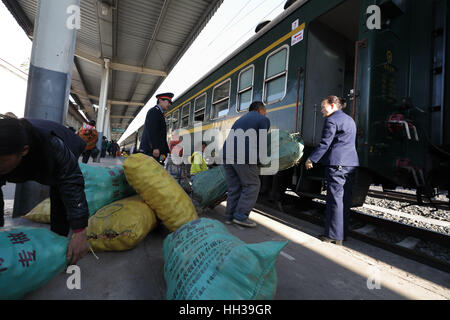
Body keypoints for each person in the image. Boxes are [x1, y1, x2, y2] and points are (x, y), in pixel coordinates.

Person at [0, 117, 89, 264]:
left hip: (66, 142)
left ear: (24, 151)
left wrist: (80, 232)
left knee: (60, 192)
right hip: (36, 154)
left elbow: (71, 183)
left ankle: (59, 248)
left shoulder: (53, 147)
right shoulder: (7, 150)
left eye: (2, 161)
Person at [305, 96, 359, 245]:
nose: (322, 110)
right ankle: (342, 235)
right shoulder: (350, 120)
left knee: (334, 200)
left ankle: (332, 235)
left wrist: (312, 159)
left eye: (323, 107)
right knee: (344, 200)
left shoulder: (331, 120)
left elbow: (325, 143)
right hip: (351, 164)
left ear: (333, 105)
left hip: (337, 164)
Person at [222, 101, 270, 228]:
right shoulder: (262, 119)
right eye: (265, 110)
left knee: (234, 187)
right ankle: (241, 216)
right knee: (252, 184)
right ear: (261, 109)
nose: (266, 113)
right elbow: (262, 142)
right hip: (243, 156)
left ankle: (229, 217)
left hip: (227, 155)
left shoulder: (240, 120)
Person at [139, 92, 172, 163]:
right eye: (168, 102)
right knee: (149, 171)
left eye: (170, 103)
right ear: (160, 100)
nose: (169, 105)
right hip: (151, 150)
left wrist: (166, 150)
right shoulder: (154, 111)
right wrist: (155, 147)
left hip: (154, 150)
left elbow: (162, 135)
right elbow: (152, 131)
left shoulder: (160, 113)